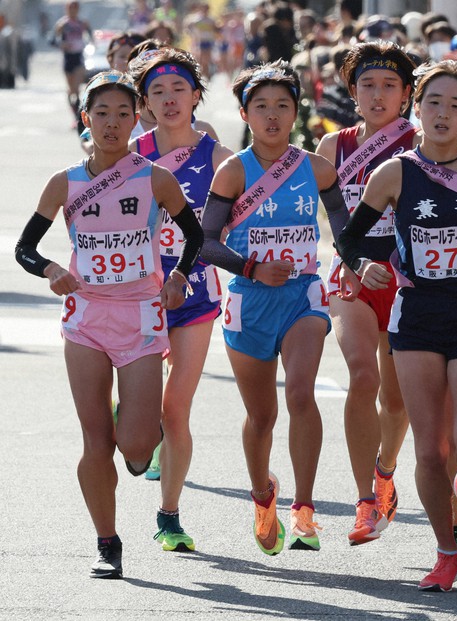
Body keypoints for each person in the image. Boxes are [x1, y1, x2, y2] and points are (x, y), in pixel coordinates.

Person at [336, 60, 457, 592]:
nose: (442, 114)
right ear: (416, 110)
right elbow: (349, 239)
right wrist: (362, 266)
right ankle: (445, 552)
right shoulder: (394, 173)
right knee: (428, 450)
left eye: (455, 105)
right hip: (416, 318)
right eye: (433, 103)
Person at [14, 71, 203, 578]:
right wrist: (52, 269)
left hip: (141, 316)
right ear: (86, 119)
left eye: (123, 114)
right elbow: (24, 249)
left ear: (135, 117)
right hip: (86, 319)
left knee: (137, 448)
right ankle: (107, 542)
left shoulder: (154, 177)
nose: (113, 124)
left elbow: (194, 234)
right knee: (95, 439)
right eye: (102, 114)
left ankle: (138, 429)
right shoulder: (65, 182)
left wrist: (180, 275)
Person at [199, 61, 349, 556]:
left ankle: (304, 507)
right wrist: (251, 267)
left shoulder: (317, 167)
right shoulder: (233, 169)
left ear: (295, 113)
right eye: (260, 106)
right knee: (261, 415)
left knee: (302, 393)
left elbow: (346, 231)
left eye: (282, 106)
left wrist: (358, 261)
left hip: (304, 295)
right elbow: (204, 243)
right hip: (249, 300)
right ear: (244, 113)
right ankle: (263, 495)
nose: (271, 115)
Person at [129, 47, 234, 551]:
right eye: (157, 92)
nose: (169, 100)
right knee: (144, 417)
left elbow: (236, 225)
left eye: (179, 90)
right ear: (144, 102)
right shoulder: (130, 152)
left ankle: (169, 514)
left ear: (196, 95)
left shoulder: (218, 158)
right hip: (135, 294)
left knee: (176, 413)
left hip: (194, 292)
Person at [315, 41, 418, 545]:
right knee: (361, 375)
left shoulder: (424, 143)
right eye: (367, 86)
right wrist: (357, 262)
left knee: (396, 399)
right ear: (352, 93)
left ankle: (386, 468)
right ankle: (364, 500)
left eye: (389, 86)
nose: (378, 96)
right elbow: (334, 223)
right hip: (353, 275)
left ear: (407, 94)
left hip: (410, 280)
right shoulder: (332, 149)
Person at [53, 1, 93, 129]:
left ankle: (79, 118)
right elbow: (52, 39)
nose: (73, 10)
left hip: (78, 58)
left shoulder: (82, 23)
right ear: (66, 9)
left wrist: (89, 43)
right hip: (67, 59)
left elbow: (91, 36)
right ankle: (75, 116)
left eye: (75, 8)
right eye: (70, 8)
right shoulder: (62, 24)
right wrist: (62, 45)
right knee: (71, 92)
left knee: (77, 89)